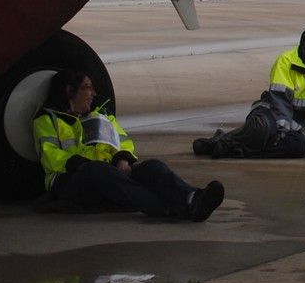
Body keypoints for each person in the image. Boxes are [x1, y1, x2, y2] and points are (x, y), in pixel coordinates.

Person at [33, 69, 225, 220]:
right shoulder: (47, 120)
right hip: (71, 181)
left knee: (153, 167)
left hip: (109, 173)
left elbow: (123, 142)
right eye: (87, 87)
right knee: (97, 171)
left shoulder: (101, 115)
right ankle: (168, 208)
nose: (93, 93)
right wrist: (83, 164)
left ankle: (192, 198)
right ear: (69, 91)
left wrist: (122, 158)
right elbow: (50, 156)